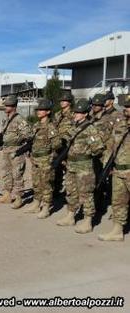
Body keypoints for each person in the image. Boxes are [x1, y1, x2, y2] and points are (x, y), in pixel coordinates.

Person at [56, 98, 105, 233]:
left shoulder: (90, 129)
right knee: (71, 191)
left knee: (86, 194)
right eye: (75, 112)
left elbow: (98, 148)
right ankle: (70, 216)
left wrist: (87, 151)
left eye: (79, 112)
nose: (76, 114)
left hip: (84, 167)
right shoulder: (74, 127)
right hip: (71, 165)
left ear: (85, 114)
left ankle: (88, 221)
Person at [98, 94, 130, 241]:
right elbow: (111, 144)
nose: (127, 109)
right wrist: (107, 164)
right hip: (118, 169)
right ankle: (117, 231)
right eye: (126, 107)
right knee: (118, 202)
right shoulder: (120, 123)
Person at [23, 99, 61, 218]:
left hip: (45, 159)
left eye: (41, 110)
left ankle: (46, 207)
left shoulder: (51, 127)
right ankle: (36, 203)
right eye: (38, 110)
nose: (38, 112)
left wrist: (50, 156)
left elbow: (57, 144)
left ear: (48, 112)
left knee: (46, 184)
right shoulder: (36, 125)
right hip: (35, 159)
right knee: (36, 182)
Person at [0, 95, 33, 208]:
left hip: (16, 150)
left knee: (17, 174)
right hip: (6, 150)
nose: (5, 107)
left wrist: (19, 141)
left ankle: (19, 198)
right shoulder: (5, 119)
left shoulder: (20, 120)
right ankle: (7, 194)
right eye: (5, 105)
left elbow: (29, 135)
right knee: (6, 173)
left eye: (7, 105)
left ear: (13, 107)